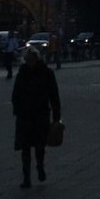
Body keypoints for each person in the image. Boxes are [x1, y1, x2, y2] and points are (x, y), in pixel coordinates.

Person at [11, 46, 61, 189]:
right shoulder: (23, 73)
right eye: (27, 60)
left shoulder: (46, 73)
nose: (29, 62)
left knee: (39, 146)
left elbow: (54, 95)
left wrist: (56, 117)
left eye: (31, 59)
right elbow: (16, 94)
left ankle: (40, 166)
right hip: (26, 115)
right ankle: (26, 177)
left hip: (40, 114)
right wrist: (17, 109)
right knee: (25, 147)